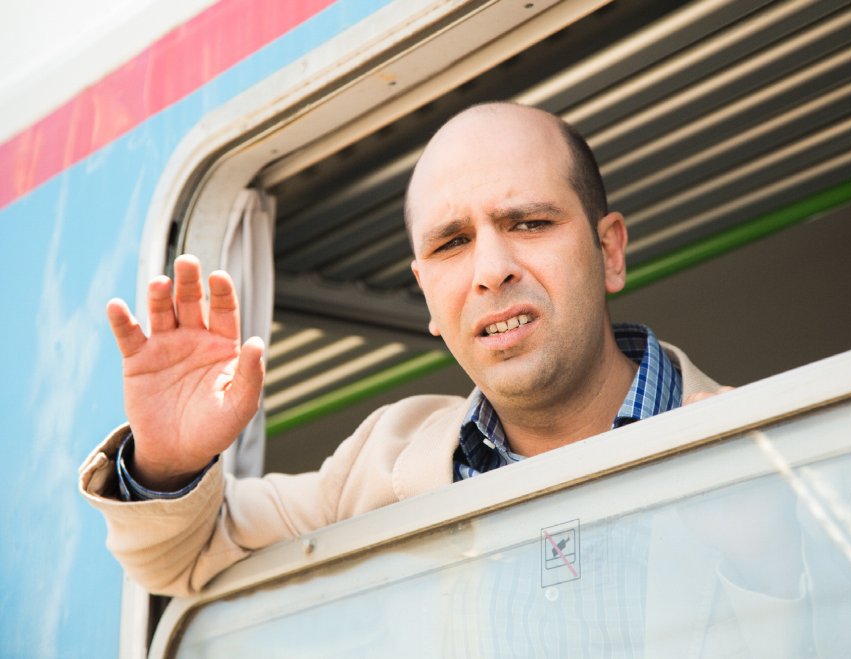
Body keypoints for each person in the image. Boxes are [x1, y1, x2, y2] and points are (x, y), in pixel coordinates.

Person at [79, 102, 721, 595]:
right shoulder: (376, 460)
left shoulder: (766, 435)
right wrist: (167, 464)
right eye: (450, 244)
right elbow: (187, 561)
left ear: (608, 251)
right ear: (427, 295)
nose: (490, 270)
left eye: (529, 222)